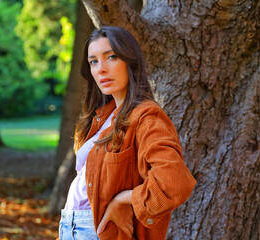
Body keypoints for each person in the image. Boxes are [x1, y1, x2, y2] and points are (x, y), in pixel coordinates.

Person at [58, 26, 197, 240]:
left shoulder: (147, 117)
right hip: (71, 226)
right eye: (93, 61)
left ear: (130, 61)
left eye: (111, 57)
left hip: (99, 230)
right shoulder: (102, 117)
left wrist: (123, 199)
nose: (101, 69)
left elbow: (174, 182)